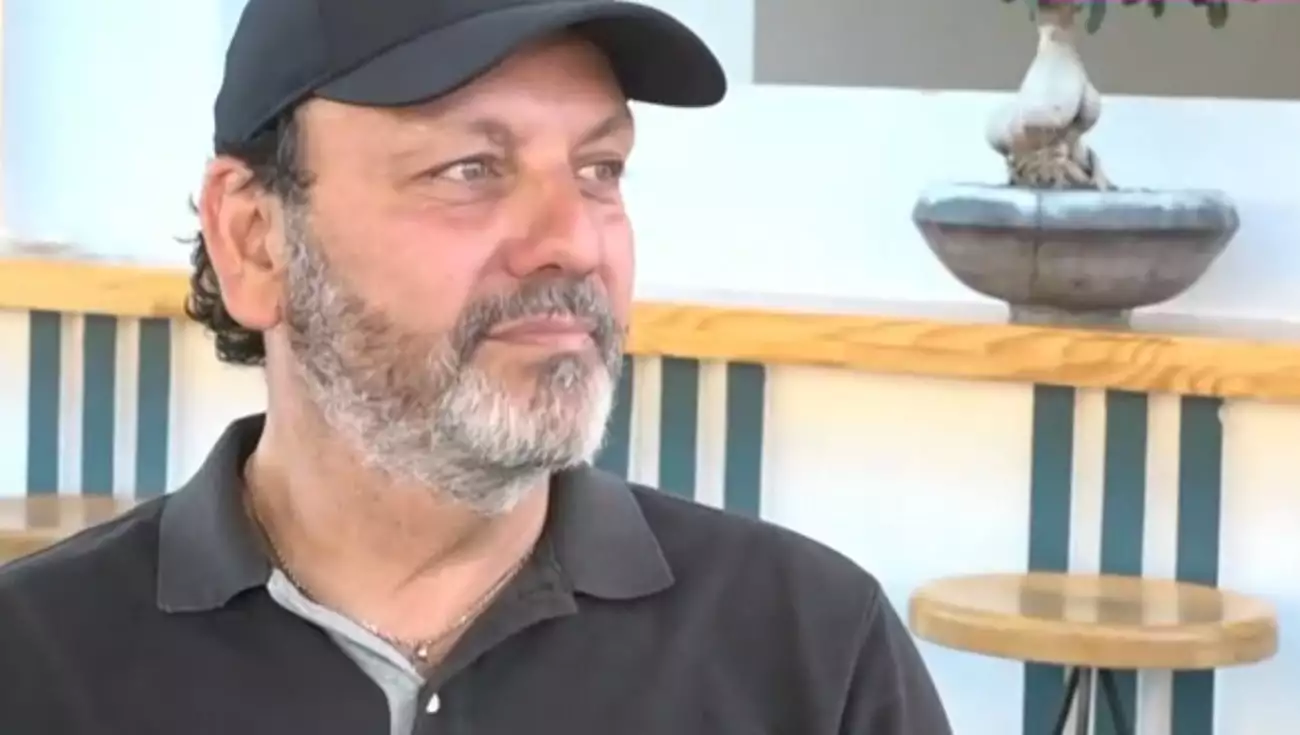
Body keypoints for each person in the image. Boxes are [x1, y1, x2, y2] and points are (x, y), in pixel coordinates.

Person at [0, 0, 953, 733]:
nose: (572, 242)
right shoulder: (36, 666)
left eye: (599, 169)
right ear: (255, 238)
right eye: (469, 169)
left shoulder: (813, 657)